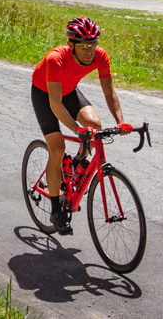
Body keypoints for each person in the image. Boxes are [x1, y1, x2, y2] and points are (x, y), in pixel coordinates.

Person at [31, 16, 131, 234]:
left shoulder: (101, 56)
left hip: (68, 91)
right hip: (45, 94)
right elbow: (55, 103)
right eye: (83, 47)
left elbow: (109, 92)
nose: (89, 52)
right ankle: (56, 209)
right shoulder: (55, 59)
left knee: (94, 125)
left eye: (92, 46)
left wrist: (121, 121)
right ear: (71, 45)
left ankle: (76, 166)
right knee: (57, 149)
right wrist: (76, 129)